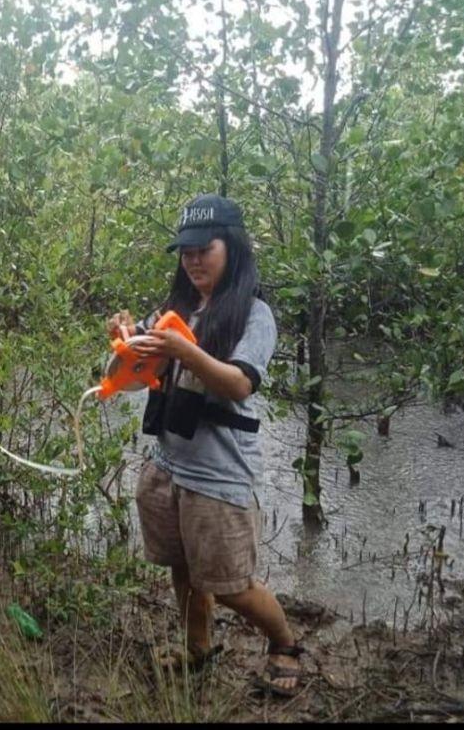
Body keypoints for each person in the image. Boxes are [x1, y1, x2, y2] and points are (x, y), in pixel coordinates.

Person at [107, 193, 304, 697]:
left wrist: (184, 351)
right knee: (182, 568)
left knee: (232, 585)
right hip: (168, 464)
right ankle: (198, 649)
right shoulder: (174, 311)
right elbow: (128, 381)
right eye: (185, 251)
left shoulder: (254, 315)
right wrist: (124, 346)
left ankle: (284, 643)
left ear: (232, 248)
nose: (193, 260)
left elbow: (239, 384)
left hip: (218, 473)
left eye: (204, 249)